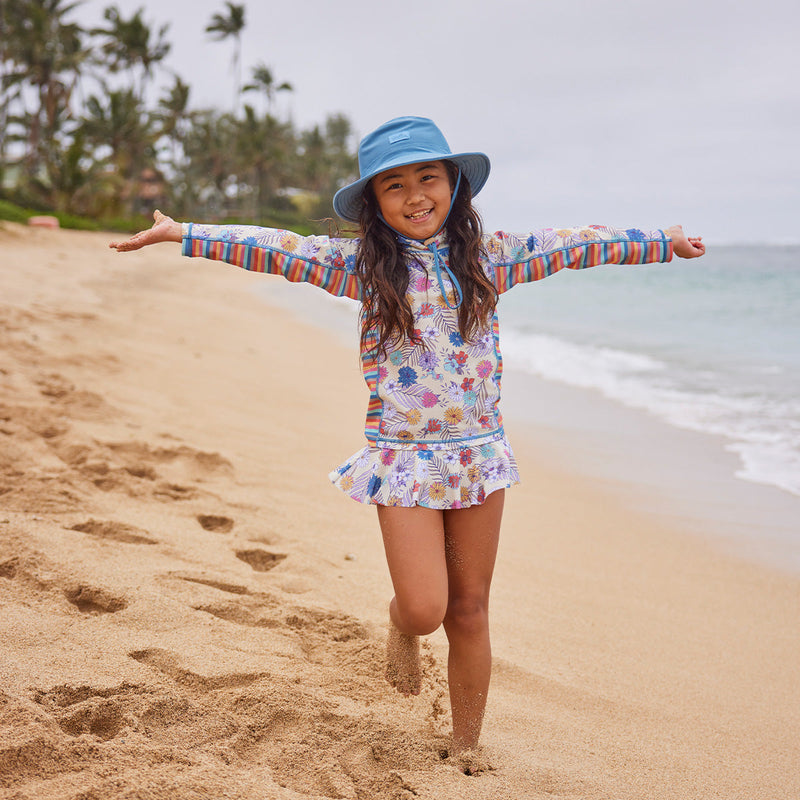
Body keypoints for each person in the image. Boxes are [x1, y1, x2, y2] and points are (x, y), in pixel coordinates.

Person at [110, 116, 705, 755]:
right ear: (374, 202)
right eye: (395, 186)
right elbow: (278, 246)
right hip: (403, 460)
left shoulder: (489, 257)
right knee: (425, 609)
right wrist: (185, 234)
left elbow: (577, 242)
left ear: (455, 184)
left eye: (429, 178)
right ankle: (400, 627)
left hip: (478, 457)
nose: (417, 196)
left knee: (469, 609)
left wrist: (660, 240)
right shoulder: (361, 269)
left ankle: (467, 745)